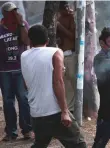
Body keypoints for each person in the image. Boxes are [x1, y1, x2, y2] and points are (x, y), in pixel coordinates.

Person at [21, 25, 87, 148]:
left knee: (40, 144)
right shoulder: (56, 52)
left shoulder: (24, 56)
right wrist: (65, 112)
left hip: (36, 113)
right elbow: (58, 82)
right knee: (79, 144)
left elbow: (26, 84)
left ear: (30, 40)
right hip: (54, 112)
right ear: (47, 40)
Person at [0, 2, 32, 141]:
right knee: (7, 101)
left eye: (15, 11)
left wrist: (21, 24)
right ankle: (11, 132)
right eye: (11, 12)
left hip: (20, 68)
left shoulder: (22, 24)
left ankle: (27, 130)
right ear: (5, 14)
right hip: (4, 70)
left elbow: (27, 41)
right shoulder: (0, 28)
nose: (14, 14)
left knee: (23, 99)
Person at [56, 1, 77, 114]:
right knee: (66, 82)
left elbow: (73, 36)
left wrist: (60, 27)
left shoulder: (72, 18)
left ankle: (76, 107)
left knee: (73, 79)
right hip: (62, 53)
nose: (67, 9)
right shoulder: (59, 18)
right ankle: (69, 108)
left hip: (71, 53)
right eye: (65, 8)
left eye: (68, 6)